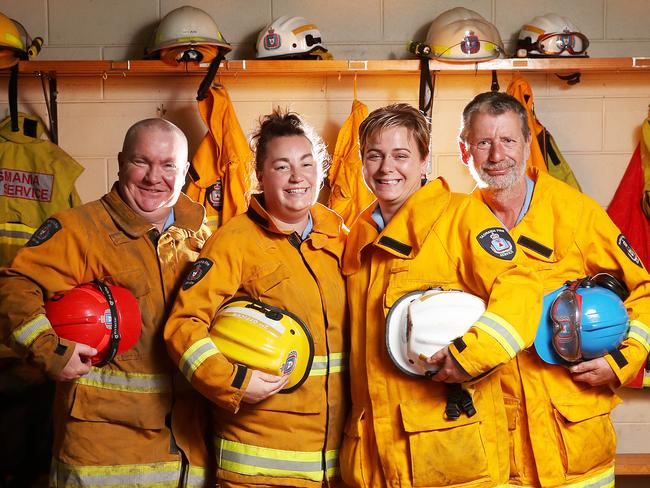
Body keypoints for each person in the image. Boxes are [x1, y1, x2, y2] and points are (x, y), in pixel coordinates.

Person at [339, 103, 543, 488]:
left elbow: (522, 289)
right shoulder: (358, 241)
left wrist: (470, 357)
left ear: (424, 161)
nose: (387, 168)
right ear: (362, 163)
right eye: (375, 156)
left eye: (401, 155)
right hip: (372, 460)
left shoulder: (461, 218)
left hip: (452, 456)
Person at [0, 118, 213, 487]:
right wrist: (49, 349)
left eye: (168, 165)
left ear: (186, 172)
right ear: (120, 162)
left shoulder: (203, 240)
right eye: (140, 161)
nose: (152, 177)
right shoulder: (79, 230)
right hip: (101, 456)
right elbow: (14, 286)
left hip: (185, 454)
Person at [458, 91, 650, 487]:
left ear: (528, 146)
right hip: (496, 444)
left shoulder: (576, 213)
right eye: (483, 142)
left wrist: (622, 361)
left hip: (574, 442)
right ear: (465, 151)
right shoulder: (455, 224)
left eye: (508, 140)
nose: (497, 155)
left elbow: (644, 290)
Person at [164, 109, 349, 487]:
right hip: (259, 466)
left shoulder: (341, 237)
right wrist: (232, 380)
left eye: (306, 163)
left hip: (337, 466)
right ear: (260, 176)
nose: (297, 177)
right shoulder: (234, 241)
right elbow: (183, 326)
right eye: (282, 167)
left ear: (321, 170)